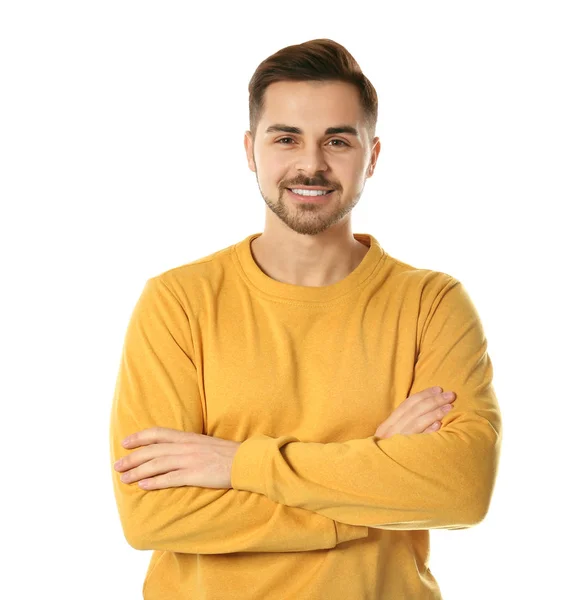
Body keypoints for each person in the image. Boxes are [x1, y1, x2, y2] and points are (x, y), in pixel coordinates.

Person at [110, 38, 502, 600]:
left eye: (337, 141)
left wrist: (240, 463)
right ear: (251, 150)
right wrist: (371, 490)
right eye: (286, 138)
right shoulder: (178, 302)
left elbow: (461, 489)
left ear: (373, 155)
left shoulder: (432, 304)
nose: (311, 163)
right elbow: (154, 513)